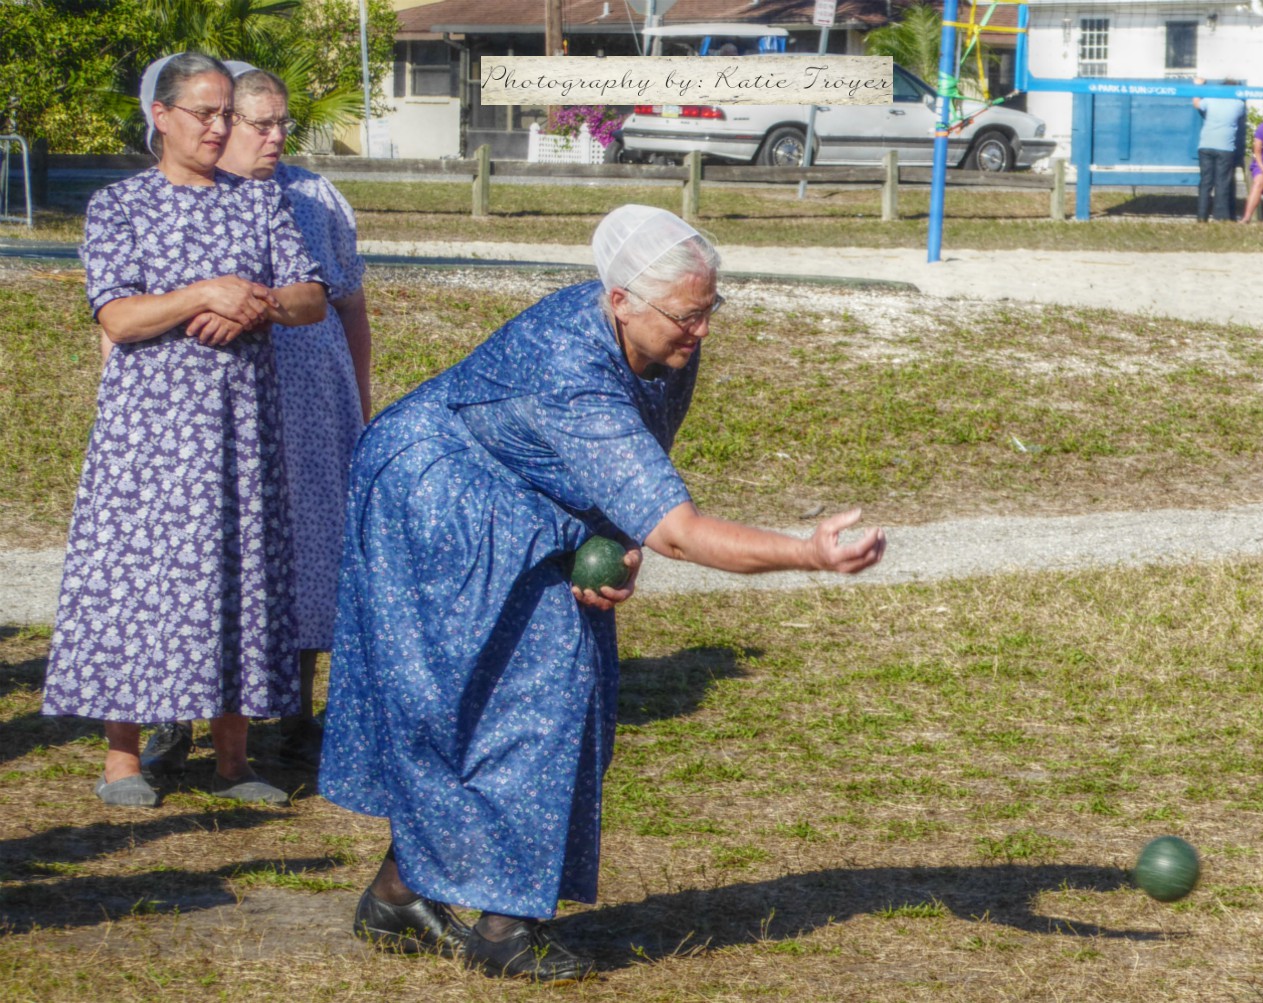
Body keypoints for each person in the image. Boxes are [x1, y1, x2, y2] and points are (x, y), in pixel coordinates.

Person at [320, 205, 886, 982]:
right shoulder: (569, 371)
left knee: (550, 687)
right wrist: (808, 553)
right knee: (501, 692)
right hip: (432, 494)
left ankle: (400, 893)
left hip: (520, 495)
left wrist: (619, 542)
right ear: (620, 299)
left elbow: (640, 481)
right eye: (688, 314)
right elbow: (679, 530)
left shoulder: (664, 344)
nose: (702, 331)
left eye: (709, 308)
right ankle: (500, 927)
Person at [42, 52, 327, 808]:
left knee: (239, 572)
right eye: (205, 112)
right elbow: (119, 314)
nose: (219, 126)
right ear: (160, 117)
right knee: (138, 579)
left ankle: (232, 759)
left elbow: (310, 297)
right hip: (150, 437)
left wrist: (254, 303)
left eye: (226, 111)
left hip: (240, 431)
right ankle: (122, 758)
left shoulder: (259, 203)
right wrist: (200, 293)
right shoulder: (119, 206)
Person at [142, 63, 373, 775]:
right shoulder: (188, 197)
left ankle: (296, 711)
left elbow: (349, 302)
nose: (275, 138)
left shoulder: (313, 194)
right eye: (260, 123)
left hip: (311, 405)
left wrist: (360, 401)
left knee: (305, 551)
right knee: (191, 552)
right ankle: (171, 716)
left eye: (283, 123)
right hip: (209, 403)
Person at [1192, 77, 1245, 223]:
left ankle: (1201, 217)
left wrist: (1197, 87)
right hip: (1225, 147)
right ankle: (1220, 217)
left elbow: (1196, 104)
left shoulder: (1210, 98)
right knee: (1222, 183)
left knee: (1205, 182)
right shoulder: (1239, 104)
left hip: (1206, 144)